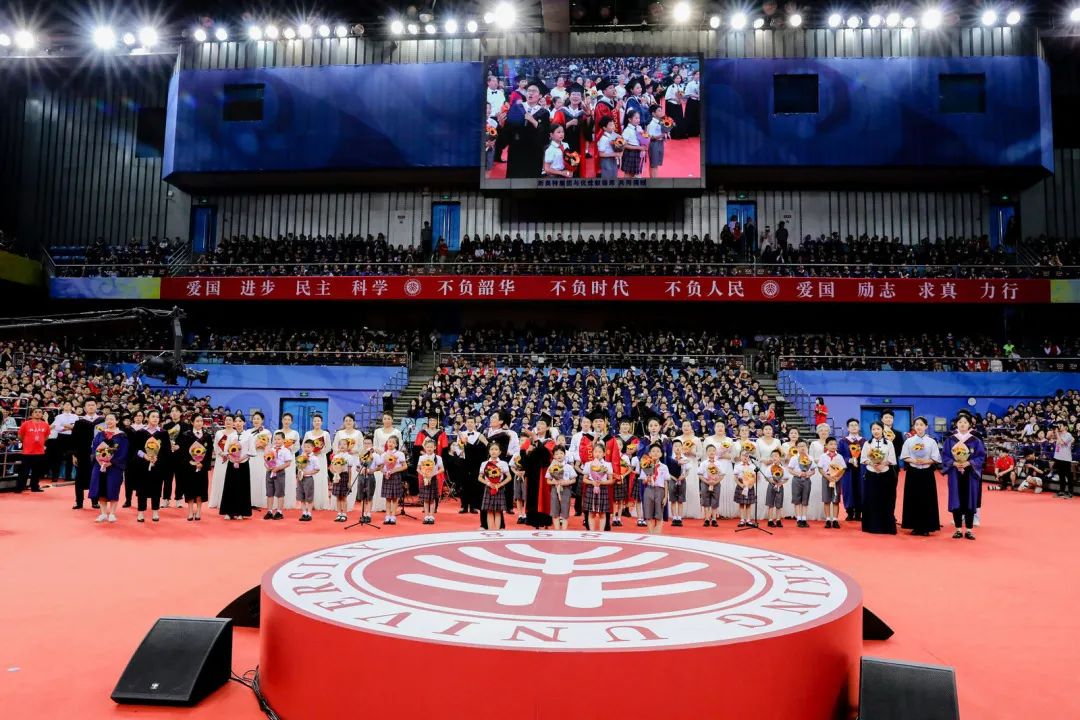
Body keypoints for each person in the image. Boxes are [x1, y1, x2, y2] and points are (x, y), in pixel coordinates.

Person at [941, 412, 986, 540]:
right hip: (955, 473)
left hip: (970, 473)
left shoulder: (975, 440)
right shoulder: (950, 440)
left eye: (965, 422)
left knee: (969, 500)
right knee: (956, 499)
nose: (962, 424)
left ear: (969, 424)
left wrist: (969, 462)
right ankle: (958, 529)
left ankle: (969, 530)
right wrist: (954, 463)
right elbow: (945, 455)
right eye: (960, 422)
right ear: (956, 424)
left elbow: (981, 456)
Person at [899, 416, 942, 535]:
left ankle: (927, 527)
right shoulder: (909, 441)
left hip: (927, 473)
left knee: (927, 499)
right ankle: (914, 526)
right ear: (914, 426)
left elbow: (936, 458)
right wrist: (914, 460)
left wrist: (926, 461)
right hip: (913, 472)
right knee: (912, 498)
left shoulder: (931, 441)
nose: (919, 427)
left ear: (926, 426)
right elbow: (904, 456)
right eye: (916, 424)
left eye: (921, 424)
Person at [131, 409, 171, 523]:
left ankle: (155, 511)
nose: (155, 419)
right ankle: (141, 512)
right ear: (147, 418)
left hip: (158, 465)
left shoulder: (163, 433)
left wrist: (158, 458)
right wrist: (144, 456)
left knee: (156, 488)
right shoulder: (140, 432)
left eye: (157, 417)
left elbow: (166, 450)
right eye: (153, 416)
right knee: (141, 489)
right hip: (142, 465)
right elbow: (134, 449)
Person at [506, 80, 551, 178]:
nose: (530, 93)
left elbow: (545, 136)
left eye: (534, 91)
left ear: (540, 96)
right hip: (516, 150)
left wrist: (533, 121)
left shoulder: (544, 113)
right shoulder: (516, 108)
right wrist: (502, 125)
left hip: (534, 152)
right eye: (529, 91)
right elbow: (508, 131)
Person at [860, 421, 898, 535]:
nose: (875, 431)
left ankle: (886, 527)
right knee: (871, 499)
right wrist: (873, 464)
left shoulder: (889, 443)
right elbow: (863, 459)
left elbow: (892, 459)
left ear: (882, 430)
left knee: (886, 499)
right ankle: (871, 526)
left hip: (885, 474)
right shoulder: (867, 443)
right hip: (871, 474)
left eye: (878, 429)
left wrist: (883, 464)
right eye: (873, 429)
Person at [89, 413, 128, 523]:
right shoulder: (100, 434)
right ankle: (103, 514)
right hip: (99, 465)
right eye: (107, 419)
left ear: (117, 421)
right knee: (100, 488)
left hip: (114, 467)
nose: (109, 421)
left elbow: (124, 451)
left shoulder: (122, 435)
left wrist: (111, 462)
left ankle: (112, 514)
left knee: (113, 488)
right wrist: (99, 459)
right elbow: (95, 447)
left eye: (112, 419)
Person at [520, 414, 556, 529]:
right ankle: (533, 521)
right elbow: (522, 456)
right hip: (532, 473)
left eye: (542, 424)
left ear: (548, 427)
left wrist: (535, 438)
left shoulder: (550, 442)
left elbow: (546, 455)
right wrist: (527, 453)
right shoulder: (529, 441)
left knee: (543, 496)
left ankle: (544, 521)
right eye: (538, 424)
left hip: (543, 473)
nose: (539, 426)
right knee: (532, 496)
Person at [218, 414, 253, 520]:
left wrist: (240, 459)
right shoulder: (231, 436)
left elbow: (251, 451)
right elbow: (226, 450)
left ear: (244, 423)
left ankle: (241, 512)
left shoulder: (248, 435)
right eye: (236, 421)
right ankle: (229, 512)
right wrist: (232, 458)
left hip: (243, 464)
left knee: (242, 488)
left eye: (240, 421)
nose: (238, 423)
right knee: (230, 487)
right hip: (232, 463)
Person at [177, 415, 211, 521]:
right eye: (197, 421)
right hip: (189, 468)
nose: (199, 423)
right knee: (190, 490)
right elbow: (183, 452)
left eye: (201, 421)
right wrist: (190, 462)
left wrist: (203, 464)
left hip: (202, 468)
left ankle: (199, 511)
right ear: (192, 422)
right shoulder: (186, 435)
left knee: (201, 489)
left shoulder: (207, 436)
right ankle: (190, 511)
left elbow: (209, 453)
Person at [449, 415, 484, 514]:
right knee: (463, 484)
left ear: (475, 423)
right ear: (465, 423)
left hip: (475, 463)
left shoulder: (479, 435)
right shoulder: (461, 434)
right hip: (463, 461)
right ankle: (464, 506)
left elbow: (481, 449)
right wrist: (461, 450)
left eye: (472, 422)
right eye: (468, 422)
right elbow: (457, 447)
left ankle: (473, 506)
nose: (470, 424)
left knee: (474, 484)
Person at [71, 398, 102, 509]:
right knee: (80, 477)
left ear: (96, 406)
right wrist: (74, 454)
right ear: (84, 408)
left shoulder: (102, 421)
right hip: (83, 453)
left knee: (96, 477)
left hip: (99, 453)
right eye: (88, 405)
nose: (91, 407)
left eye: (93, 405)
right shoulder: (79, 422)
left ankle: (95, 501)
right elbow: (74, 439)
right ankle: (79, 501)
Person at [16, 408, 50, 493]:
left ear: (42, 414)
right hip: (27, 452)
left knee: (37, 471)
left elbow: (46, 436)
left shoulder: (45, 425)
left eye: (40, 412)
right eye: (36, 412)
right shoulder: (26, 424)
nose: (38, 413)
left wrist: (40, 442)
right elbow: (20, 435)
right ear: (32, 414)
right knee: (24, 471)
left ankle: (35, 487)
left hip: (39, 452)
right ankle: (20, 487)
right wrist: (25, 442)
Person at [162, 406, 190, 509]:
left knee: (180, 479)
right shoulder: (166, 426)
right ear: (170, 413)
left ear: (180, 413)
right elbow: (163, 441)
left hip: (181, 457)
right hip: (168, 457)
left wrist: (179, 446)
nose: (174, 413)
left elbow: (188, 441)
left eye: (177, 411)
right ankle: (166, 499)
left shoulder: (186, 426)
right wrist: (169, 446)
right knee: (167, 479)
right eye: (172, 411)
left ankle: (178, 499)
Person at [479, 441, 511, 530]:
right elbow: (479, 477)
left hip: (499, 488)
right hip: (488, 488)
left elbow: (509, 477)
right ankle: (490, 531)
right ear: (489, 451)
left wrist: (500, 485)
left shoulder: (503, 463)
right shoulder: (484, 463)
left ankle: (497, 531)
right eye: (492, 449)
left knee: (498, 511)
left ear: (500, 452)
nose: (494, 451)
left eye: (496, 449)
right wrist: (488, 483)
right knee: (489, 511)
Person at [303, 415, 332, 511]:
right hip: (310, 458)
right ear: (312, 422)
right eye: (315, 421)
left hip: (321, 458)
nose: (317, 422)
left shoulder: (325, 434)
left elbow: (328, 447)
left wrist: (320, 451)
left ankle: (320, 502)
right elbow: (304, 446)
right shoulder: (308, 434)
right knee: (310, 479)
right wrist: (309, 452)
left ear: (322, 422)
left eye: (318, 420)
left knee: (320, 478)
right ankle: (310, 503)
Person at [244, 411, 272, 512]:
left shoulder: (266, 432)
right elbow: (245, 445)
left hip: (261, 457)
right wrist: (254, 447)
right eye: (254, 419)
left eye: (258, 419)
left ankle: (260, 501)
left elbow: (269, 446)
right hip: (251, 457)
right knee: (251, 478)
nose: (256, 420)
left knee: (261, 477)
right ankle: (250, 501)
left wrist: (262, 445)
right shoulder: (248, 432)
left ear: (262, 420)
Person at [583, 443, 614, 531]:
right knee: (591, 513)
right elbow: (584, 479)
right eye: (596, 451)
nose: (597, 454)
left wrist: (602, 482)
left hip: (603, 489)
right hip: (591, 488)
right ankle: (591, 532)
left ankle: (601, 533)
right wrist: (592, 482)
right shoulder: (588, 464)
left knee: (602, 513)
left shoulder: (607, 465)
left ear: (604, 454)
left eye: (600, 452)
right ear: (592, 453)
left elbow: (611, 480)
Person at [839, 419, 865, 521]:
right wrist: (849, 460)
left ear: (858, 427)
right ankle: (849, 512)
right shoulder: (843, 441)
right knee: (848, 490)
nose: (854, 427)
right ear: (848, 428)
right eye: (851, 425)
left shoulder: (864, 441)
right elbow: (840, 456)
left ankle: (859, 513)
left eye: (856, 425)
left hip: (861, 469)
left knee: (861, 489)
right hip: (848, 470)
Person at [817, 437, 846, 529]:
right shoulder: (823, 456)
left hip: (836, 479)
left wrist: (838, 478)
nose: (833, 446)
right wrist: (827, 477)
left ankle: (835, 520)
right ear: (826, 445)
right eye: (831, 444)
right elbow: (820, 468)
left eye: (835, 444)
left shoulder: (839, 456)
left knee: (835, 500)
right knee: (826, 500)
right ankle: (828, 520)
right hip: (826, 478)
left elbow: (843, 469)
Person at [546, 446, 577, 530]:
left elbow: (574, 479)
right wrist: (555, 482)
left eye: (561, 453)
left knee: (565, 512)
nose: (559, 455)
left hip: (566, 490)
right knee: (555, 512)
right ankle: (557, 531)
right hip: (554, 490)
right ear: (553, 456)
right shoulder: (551, 467)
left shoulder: (568, 467)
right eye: (556, 454)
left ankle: (564, 532)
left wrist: (566, 482)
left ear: (564, 454)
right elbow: (548, 481)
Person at [416, 436, 445, 525]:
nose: (429, 449)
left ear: (435, 447)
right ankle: (426, 516)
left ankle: (431, 516)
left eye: (431, 447)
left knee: (432, 499)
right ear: (424, 447)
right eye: (427, 447)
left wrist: (433, 474)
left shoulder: (438, 458)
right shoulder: (421, 457)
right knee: (425, 499)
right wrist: (423, 474)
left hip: (433, 479)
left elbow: (442, 469)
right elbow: (418, 469)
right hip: (424, 479)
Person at [642, 443, 670, 535]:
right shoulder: (645, 465)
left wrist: (665, 496)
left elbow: (666, 482)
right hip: (648, 489)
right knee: (648, 514)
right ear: (649, 453)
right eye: (653, 451)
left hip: (660, 491)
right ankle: (651, 534)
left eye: (658, 451)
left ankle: (657, 535)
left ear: (661, 454)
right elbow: (643, 481)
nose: (655, 453)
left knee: (659, 515)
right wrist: (647, 479)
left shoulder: (664, 467)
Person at [379, 435, 408, 525]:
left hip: (396, 476)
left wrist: (394, 470)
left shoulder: (399, 454)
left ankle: (393, 516)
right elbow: (381, 468)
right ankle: (387, 515)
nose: (390, 444)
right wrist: (385, 472)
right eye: (389, 442)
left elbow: (405, 466)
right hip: (387, 477)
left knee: (395, 498)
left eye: (393, 442)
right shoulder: (383, 454)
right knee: (388, 498)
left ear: (396, 444)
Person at [264, 431, 293, 520]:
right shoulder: (271, 449)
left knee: (280, 492)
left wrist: (278, 468)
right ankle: (269, 511)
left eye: (279, 439)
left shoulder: (286, 450)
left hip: (279, 472)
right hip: (270, 472)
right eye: (275, 439)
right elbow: (266, 460)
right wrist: (267, 467)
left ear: (283, 440)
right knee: (269, 492)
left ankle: (279, 512)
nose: (277, 441)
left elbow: (288, 463)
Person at [49, 401, 77, 487]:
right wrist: (68, 427)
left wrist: (65, 426)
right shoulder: (58, 416)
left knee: (70, 458)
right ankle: (55, 476)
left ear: (72, 407)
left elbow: (76, 427)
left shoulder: (75, 416)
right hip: (61, 437)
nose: (67, 406)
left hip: (71, 438)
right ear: (63, 406)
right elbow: (57, 428)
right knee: (57, 457)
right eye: (65, 404)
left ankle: (68, 476)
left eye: (69, 404)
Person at [208, 415, 234, 510]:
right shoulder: (219, 433)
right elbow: (215, 445)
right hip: (220, 459)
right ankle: (217, 501)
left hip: (231, 459)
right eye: (226, 420)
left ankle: (228, 501)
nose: (228, 422)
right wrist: (221, 454)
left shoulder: (236, 434)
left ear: (233, 422)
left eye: (230, 420)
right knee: (219, 478)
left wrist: (229, 454)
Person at [787, 440, 815, 528]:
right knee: (797, 500)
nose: (802, 448)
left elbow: (813, 470)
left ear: (807, 447)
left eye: (804, 446)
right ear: (797, 448)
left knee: (805, 500)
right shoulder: (794, 458)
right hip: (796, 480)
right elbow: (790, 469)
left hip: (807, 480)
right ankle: (799, 519)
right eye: (800, 446)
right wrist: (799, 474)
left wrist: (808, 474)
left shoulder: (810, 458)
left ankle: (804, 519)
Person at [278, 412, 301, 512]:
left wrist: (290, 448)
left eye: (288, 420)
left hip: (290, 458)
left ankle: (289, 502)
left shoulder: (295, 433)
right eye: (285, 419)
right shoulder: (277, 432)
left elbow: (297, 446)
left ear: (291, 422)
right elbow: (273, 444)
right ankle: (278, 502)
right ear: (282, 420)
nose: (286, 421)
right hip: (279, 459)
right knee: (278, 479)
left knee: (289, 478)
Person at [295, 439, 321, 522]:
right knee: (301, 496)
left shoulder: (314, 458)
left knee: (309, 497)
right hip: (300, 478)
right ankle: (304, 513)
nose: (306, 449)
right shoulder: (301, 457)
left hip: (308, 478)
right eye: (305, 447)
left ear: (313, 448)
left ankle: (309, 514)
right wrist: (299, 474)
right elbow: (298, 467)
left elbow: (317, 469)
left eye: (308, 447)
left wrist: (307, 473)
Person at [698, 443, 723, 527]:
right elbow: (700, 474)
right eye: (709, 451)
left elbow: (722, 475)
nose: (712, 452)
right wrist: (707, 481)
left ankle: (714, 519)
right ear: (706, 453)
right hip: (705, 483)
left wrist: (716, 482)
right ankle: (707, 519)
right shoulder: (703, 463)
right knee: (705, 501)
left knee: (715, 501)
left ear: (716, 452)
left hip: (716, 483)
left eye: (713, 450)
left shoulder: (719, 463)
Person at [732, 447, 758, 527]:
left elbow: (755, 477)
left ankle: (748, 520)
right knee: (741, 503)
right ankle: (742, 520)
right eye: (743, 455)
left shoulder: (752, 466)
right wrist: (741, 485)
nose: (745, 457)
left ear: (749, 457)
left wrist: (751, 484)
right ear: (740, 456)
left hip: (750, 485)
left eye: (747, 455)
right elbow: (735, 478)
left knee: (749, 504)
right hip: (741, 485)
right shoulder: (737, 466)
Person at [764, 448, 789, 528]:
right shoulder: (769, 468)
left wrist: (780, 483)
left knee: (779, 504)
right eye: (772, 456)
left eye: (776, 456)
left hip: (780, 487)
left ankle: (778, 520)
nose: (774, 458)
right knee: (770, 504)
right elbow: (767, 477)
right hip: (771, 486)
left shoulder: (783, 468)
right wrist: (774, 482)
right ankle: (770, 520)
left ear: (780, 457)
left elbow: (786, 478)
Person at [619, 109, 646, 178]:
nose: (638, 120)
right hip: (629, 153)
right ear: (629, 119)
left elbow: (643, 139)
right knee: (628, 174)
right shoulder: (627, 130)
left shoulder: (639, 128)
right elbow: (623, 145)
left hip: (637, 153)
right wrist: (638, 147)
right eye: (636, 118)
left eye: (639, 118)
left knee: (634, 174)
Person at [1052, 420, 1074, 498]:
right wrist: (1055, 430)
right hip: (1058, 457)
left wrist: (1057, 433)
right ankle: (1062, 491)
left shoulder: (1068, 435)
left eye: (1060, 425)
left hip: (1066, 458)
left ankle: (1070, 492)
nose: (1059, 427)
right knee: (1061, 475)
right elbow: (1049, 436)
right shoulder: (1059, 434)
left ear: (1065, 427)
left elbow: (1061, 443)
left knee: (1068, 476)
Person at [645, 103, 668, 178]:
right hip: (654, 144)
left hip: (660, 143)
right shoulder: (652, 124)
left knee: (656, 164)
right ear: (653, 113)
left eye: (661, 110)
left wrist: (665, 135)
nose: (661, 112)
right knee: (654, 164)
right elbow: (651, 137)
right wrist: (662, 135)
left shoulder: (661, 122)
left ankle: (654, 178)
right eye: (659, 111)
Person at [596, 116, 620, 180]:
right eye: (610, 125)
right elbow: (601, 154)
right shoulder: (603, 138)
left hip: (613, 159)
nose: (613, 126)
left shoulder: (614, 135)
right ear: (604, 128)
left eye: (613, 124)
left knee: (614, 176)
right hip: (606, 161)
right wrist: (614, 154)